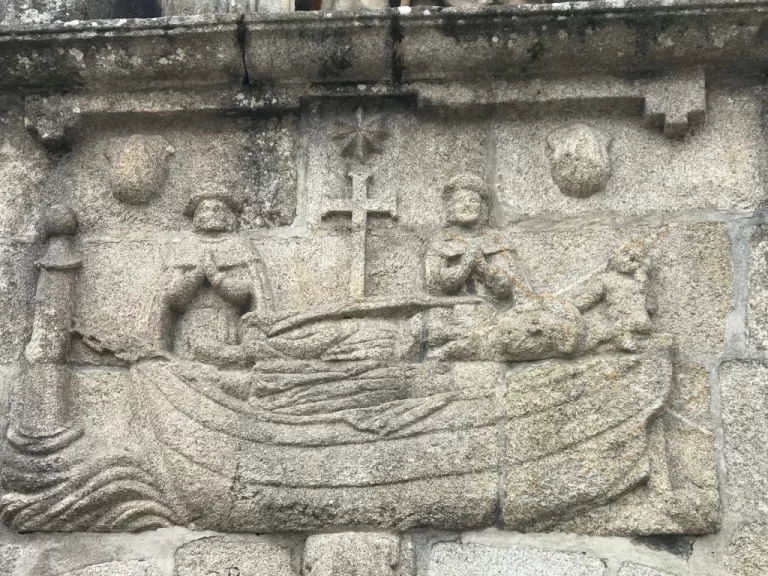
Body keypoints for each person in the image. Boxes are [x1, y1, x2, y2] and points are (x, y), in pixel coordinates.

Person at [159, 188, 273, 365]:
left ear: (228, 216)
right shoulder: (184, 247)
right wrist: (197, 274)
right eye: (204, 209)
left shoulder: (240, 246)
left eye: (217, 209)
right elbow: (172, 297)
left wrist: (215, 276)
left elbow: (249, 293)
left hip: (228, 327)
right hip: (189, 329)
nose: (211, 213)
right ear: (196, 216)